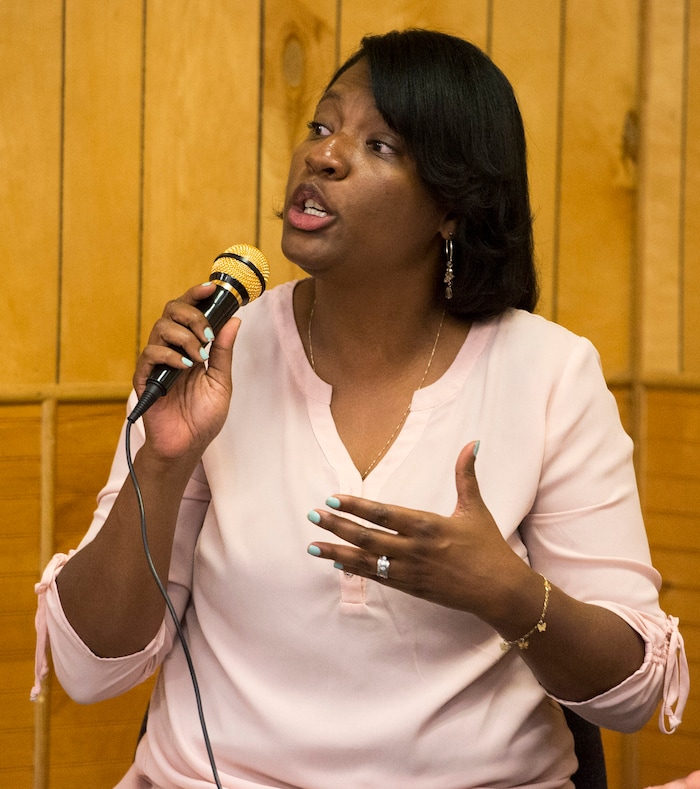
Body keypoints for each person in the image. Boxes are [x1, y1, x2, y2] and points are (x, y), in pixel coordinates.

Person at [32, 29, 688, 788]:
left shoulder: (549, 372)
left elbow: (634, 694)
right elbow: (89, 670)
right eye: (321, 126)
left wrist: (506, 592)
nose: (324, 155)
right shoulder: (219, 355)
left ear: (452, 206)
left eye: (380, 145)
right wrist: (162, 461)